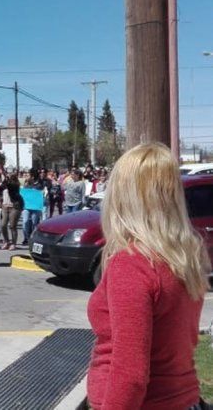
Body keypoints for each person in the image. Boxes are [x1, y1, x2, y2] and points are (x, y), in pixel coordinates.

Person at [86, 143, 211, 410]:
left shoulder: (132, 264)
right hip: (184, 400)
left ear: (123, 197)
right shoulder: (183, 258)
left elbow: (130, 375)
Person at [0, 174, 24, 250]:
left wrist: (4, 175)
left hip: (14, 207)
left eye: (11, 177)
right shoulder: (5, 185)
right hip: (5, 206)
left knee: (12, 225)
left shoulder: (15, 185)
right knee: (3, 225)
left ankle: (13, 243)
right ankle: (6, 241)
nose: (9, 178)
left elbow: (10, 185)